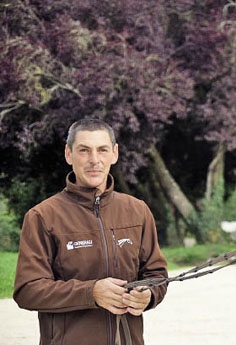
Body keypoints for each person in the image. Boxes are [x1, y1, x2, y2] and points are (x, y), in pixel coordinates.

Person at [14, 118, 168, 345]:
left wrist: (148, 295)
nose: (94, 160)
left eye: (102, 150)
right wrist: (91, 292)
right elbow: (28, 290)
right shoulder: (43, 216)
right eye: (84, 150)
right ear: (69, 155)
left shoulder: (137, 211)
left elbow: (157, 276)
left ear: (114, 154)